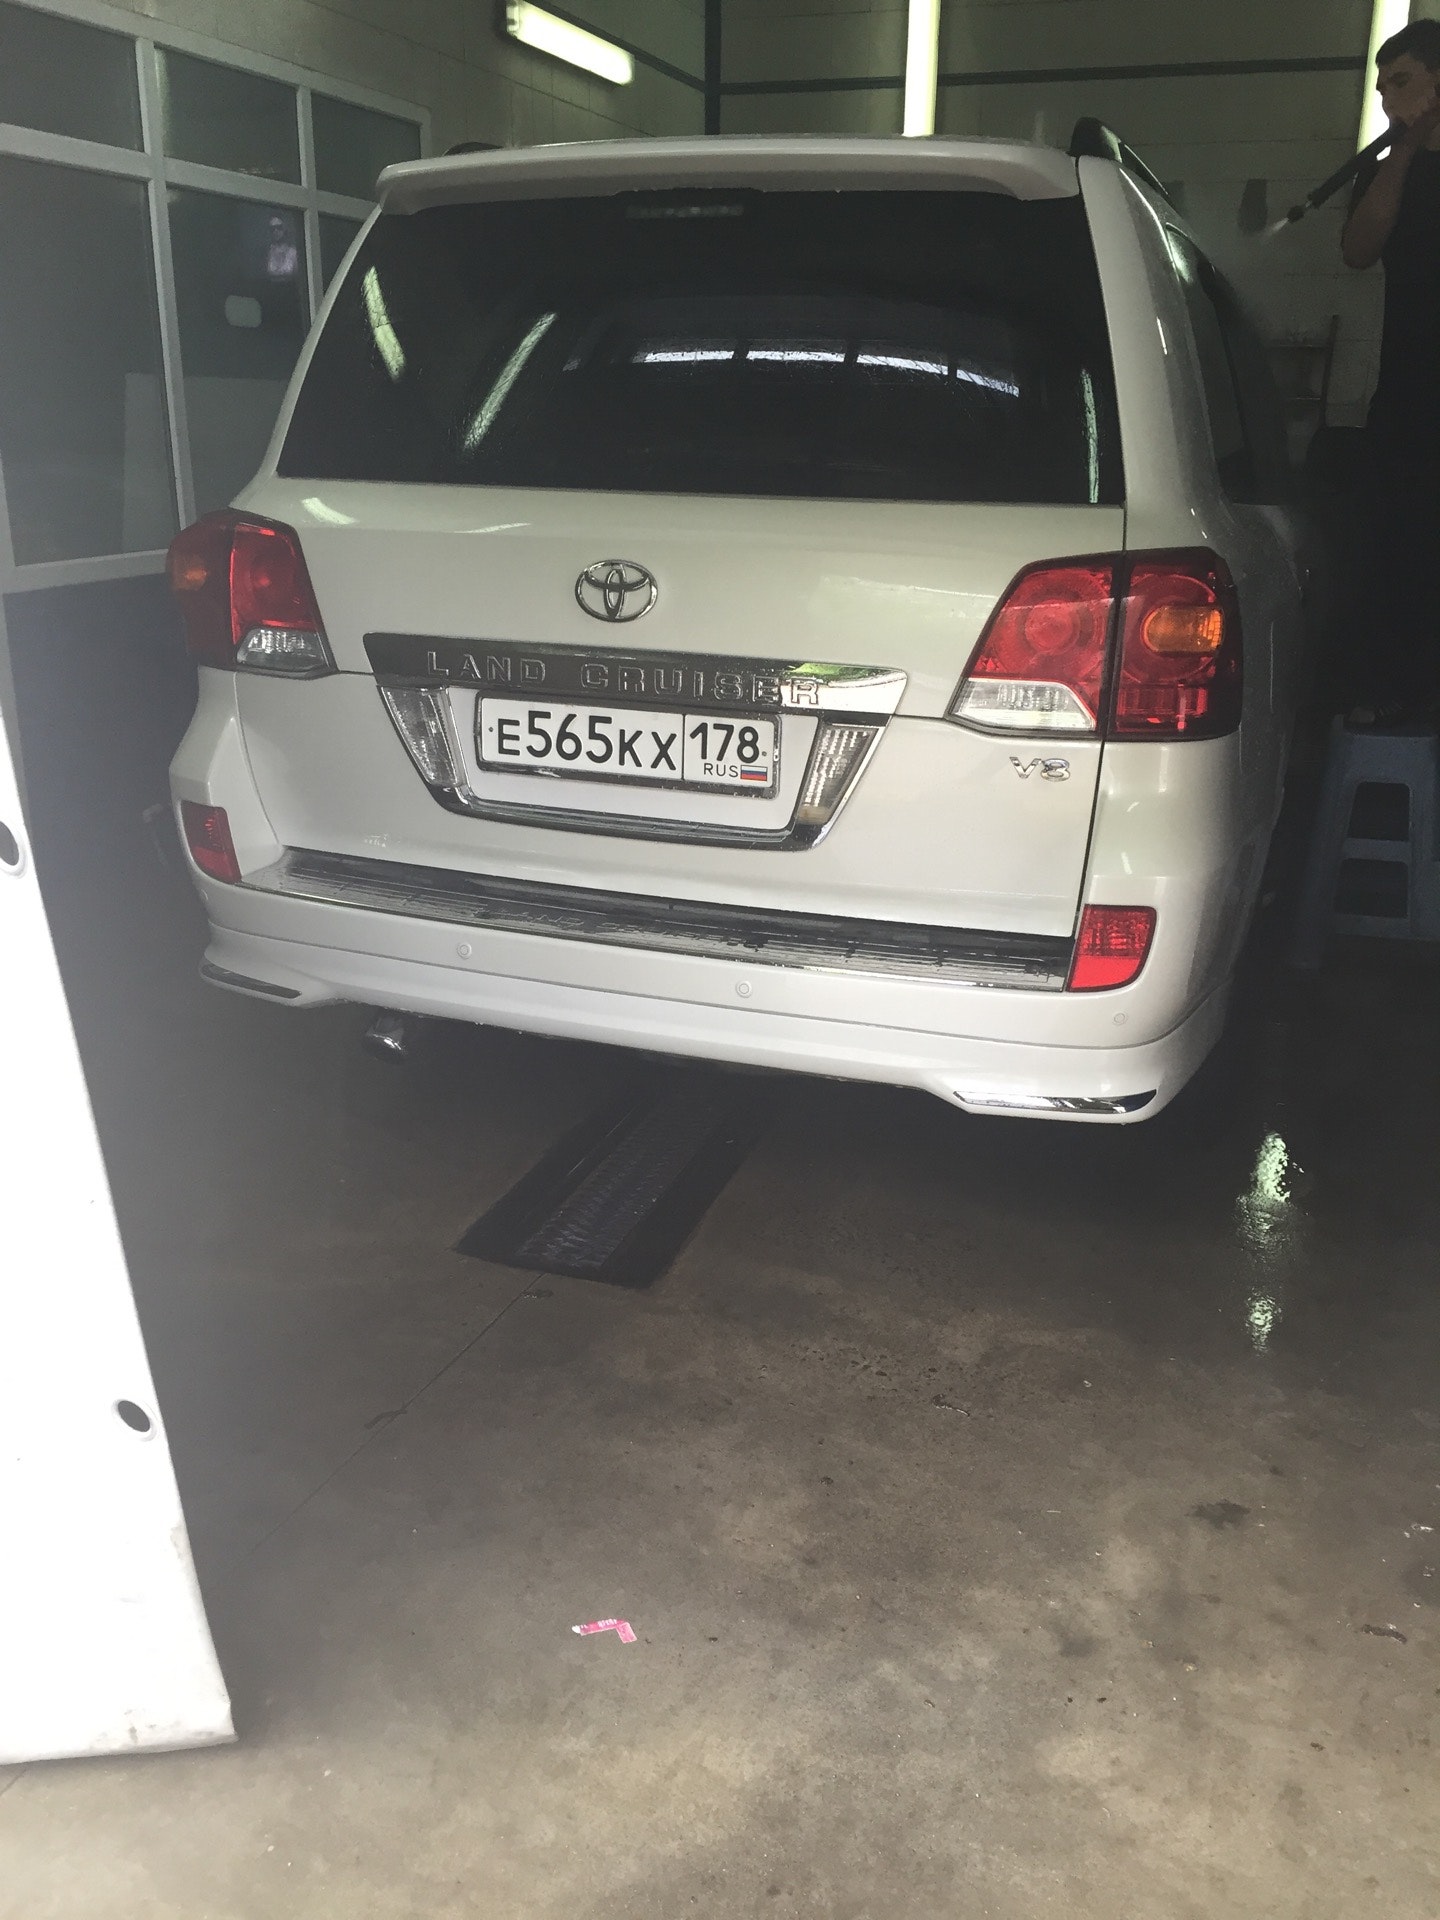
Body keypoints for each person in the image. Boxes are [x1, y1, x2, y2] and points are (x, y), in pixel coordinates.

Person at [1339, 20, 1440, 722]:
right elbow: (1357, 249)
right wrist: (1405, 146)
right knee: (1400, 550)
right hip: (1409, 397)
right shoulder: (1386, 169)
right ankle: (1398, 701)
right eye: (1381, 90)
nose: (1387, 100)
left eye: (1401, 82)